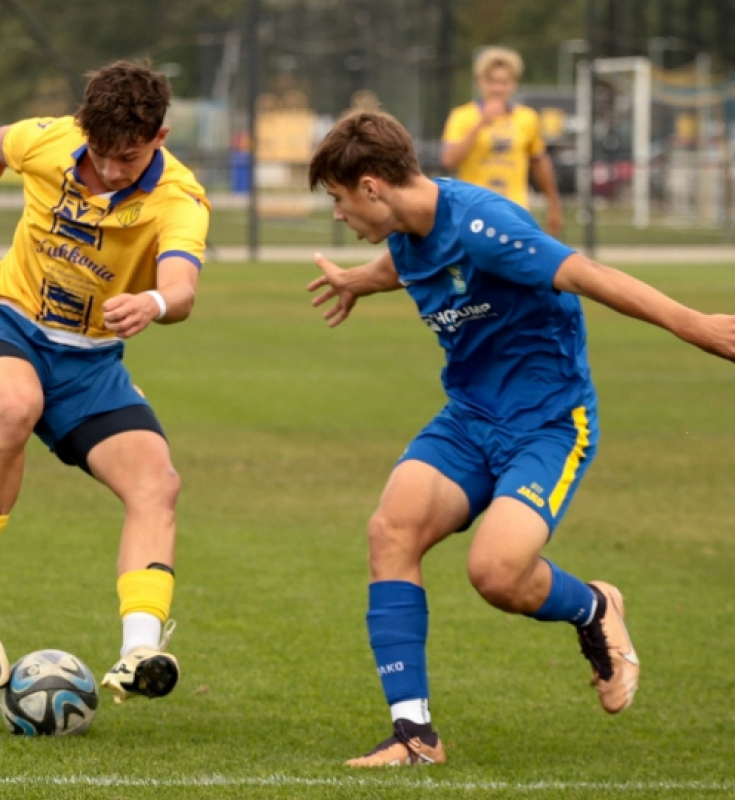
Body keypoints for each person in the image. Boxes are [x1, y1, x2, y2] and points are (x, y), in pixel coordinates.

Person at [307, 110, 735, 767]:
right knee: (390, 530)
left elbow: (589, 274)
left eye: (337, 199)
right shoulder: (407, 232)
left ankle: (593, 606)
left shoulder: (486, 225)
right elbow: (405, 265)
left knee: (497, 574)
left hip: (547, 421)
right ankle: (415, 736)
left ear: (371, 187)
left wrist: (694, 324)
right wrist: (355, 282)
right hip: (469, 416)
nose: (337, 215)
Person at [0, 60, 210, 703]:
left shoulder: (178, 197)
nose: (114, 169)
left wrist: (156, 304)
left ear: (161, 137)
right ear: (82, 127)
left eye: (132, 155)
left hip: (88, 362)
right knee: (15, 406)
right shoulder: (50, 139)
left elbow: (183, 286)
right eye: (102, 152)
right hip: (2, 321)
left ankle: (139, 648)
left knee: (157, 481)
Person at [440, 46, 563, 236]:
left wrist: (553, 204)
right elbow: (449, 159)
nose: (497, 88)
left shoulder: (527, 117)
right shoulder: (462, 116)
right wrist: (481, 123)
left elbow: (540, 161)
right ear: (479, 83)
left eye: (504, 82)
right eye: (492, 81)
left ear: (514, 84)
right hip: (474, 211)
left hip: (514, 211)